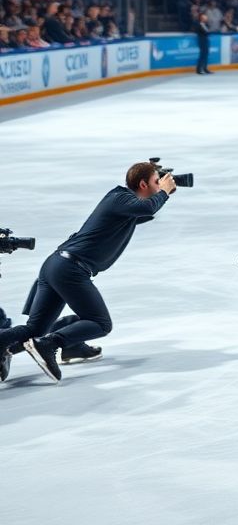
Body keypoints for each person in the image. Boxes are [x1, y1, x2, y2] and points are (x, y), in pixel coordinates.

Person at [0, 163, 176, 383]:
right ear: (142, 184)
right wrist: (165, 193)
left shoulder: (124, 207)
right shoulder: (119, 198)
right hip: (70, 269)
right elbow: (149, 208)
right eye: (156, 182)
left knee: (34, 329)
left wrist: (163, 191)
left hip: (58, 265)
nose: (160, 186)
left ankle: (69, 347)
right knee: (100, 323)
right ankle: (51, 344)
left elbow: (148, 212)